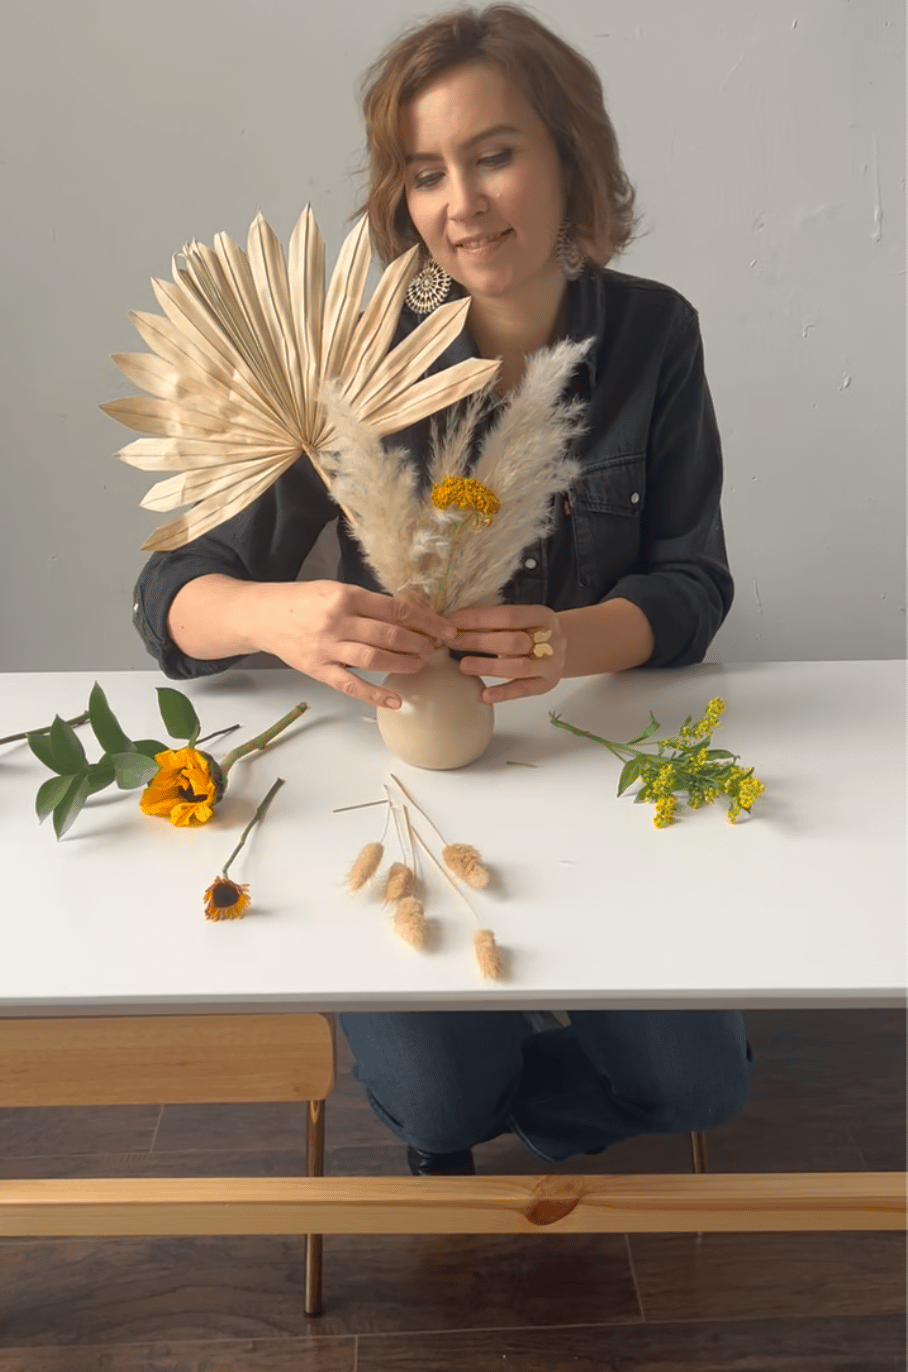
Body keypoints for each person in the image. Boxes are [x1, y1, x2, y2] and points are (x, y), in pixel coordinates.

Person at [132, 4, 753, 1175]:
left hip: (587, 771)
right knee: (433, 1109)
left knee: (696, 1083)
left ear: (571, 159)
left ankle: (523, 1065)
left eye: (494, 154)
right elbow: (171, 593)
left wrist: (565, 641)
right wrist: (279, 617)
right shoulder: (353, 365)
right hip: (407, 797)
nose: (458, 201)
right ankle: (467, 1073)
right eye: (425, 173)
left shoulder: (654, 335)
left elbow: (691, 584)